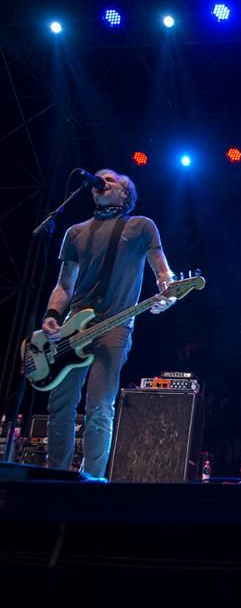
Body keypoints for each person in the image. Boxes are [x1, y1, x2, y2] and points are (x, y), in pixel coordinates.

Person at [41, 169, 175, 478]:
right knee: (60, 402)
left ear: (125, 194)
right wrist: (51, 315)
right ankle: (55, 476)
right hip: (74, 325)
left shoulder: (141, 226)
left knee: (100, 406)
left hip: (115, 324)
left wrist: (168, 291)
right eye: (98, 180)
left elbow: (162, 269)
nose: (101, 182)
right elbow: (64, 285)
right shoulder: (75, 233)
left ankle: (93, 480)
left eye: (110, 180)